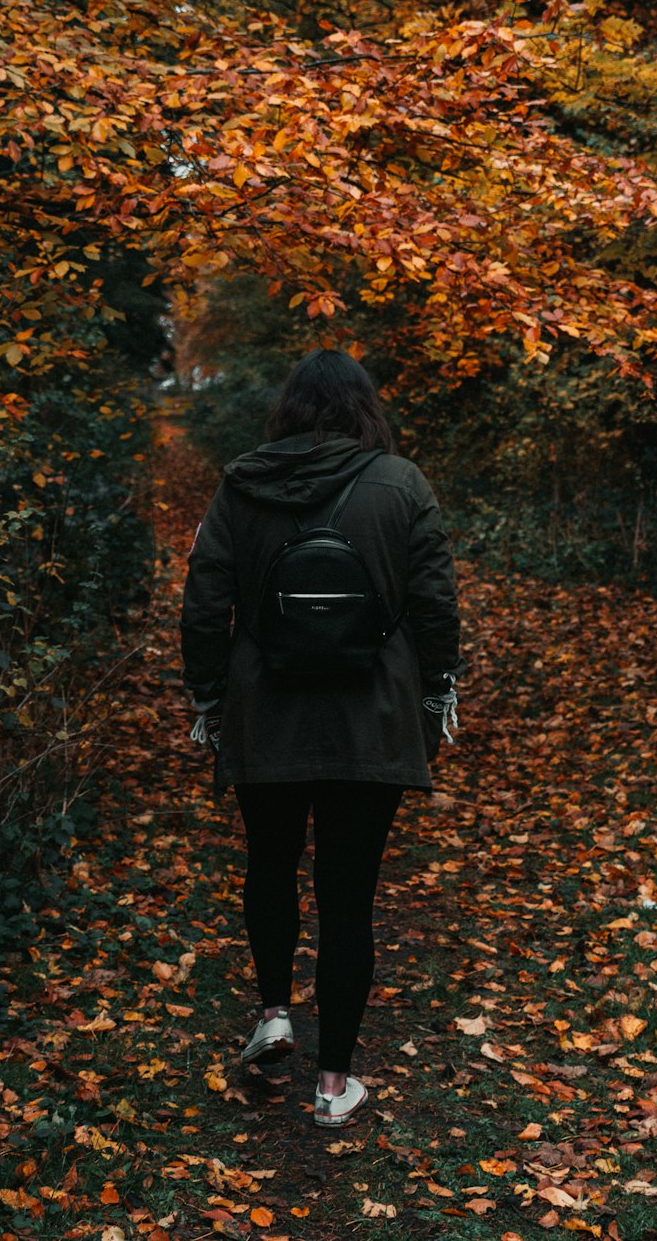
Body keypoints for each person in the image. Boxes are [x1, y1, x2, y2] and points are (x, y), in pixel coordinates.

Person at [180, 348, 462, 1128]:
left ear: (289, 408)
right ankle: (333, 1085)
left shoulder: (242, 484)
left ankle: (274, 1012)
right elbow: (436, 604)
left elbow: (204, 604)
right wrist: (438, 695)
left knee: (269, 864)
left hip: (264, 714)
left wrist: (209, 699)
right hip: (369, 721)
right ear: (365, 407)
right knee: (350, 897)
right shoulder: (401, 484)